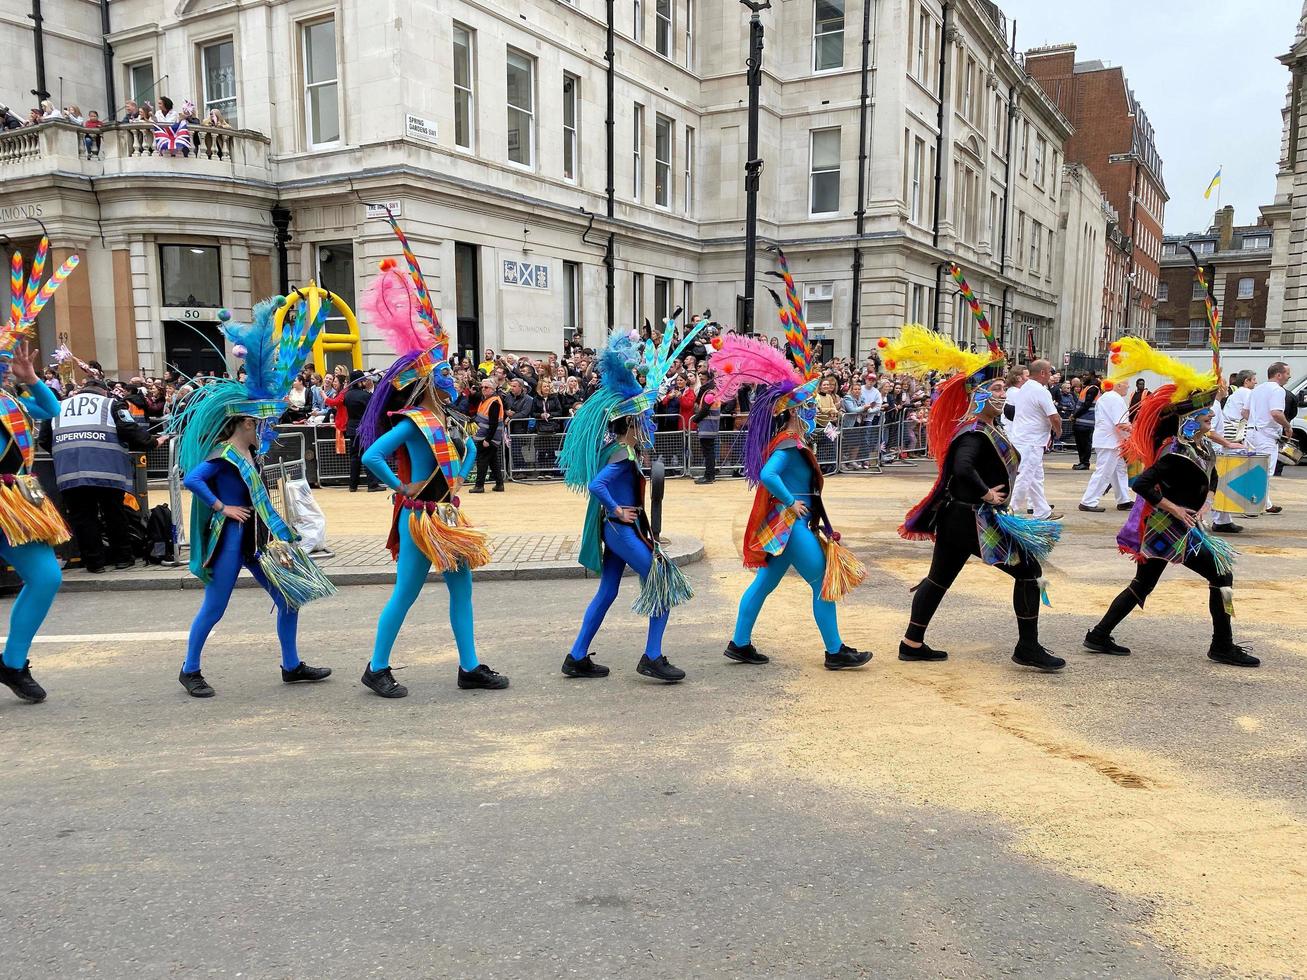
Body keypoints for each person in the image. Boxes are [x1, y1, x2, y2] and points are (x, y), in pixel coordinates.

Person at [358, 228, 508, 698]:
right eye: (443, 371)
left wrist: (463, 462)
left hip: (445, 514)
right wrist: (400, 489)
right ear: (426, 380)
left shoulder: (447, 420)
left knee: (462, 589)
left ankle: (469, 667)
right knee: (405, 593)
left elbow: (459, 460)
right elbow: (372, 454)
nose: (452, 376)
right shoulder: (416, 420)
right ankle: (376, 667)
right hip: (419, 516)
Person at [168, 299, 337, 698]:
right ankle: (189, 668)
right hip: (232, 540)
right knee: (215, 607)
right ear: (245, 422)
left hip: (259, 541)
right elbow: (191, 479)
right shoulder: (224, 455)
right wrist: (221, 507)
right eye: (259, 421)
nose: (264, 426)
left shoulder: (251, 453)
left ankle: (291, 665)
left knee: (289, 597)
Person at [710, 259, 869, 670]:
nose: (816, 410)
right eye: (810, 406)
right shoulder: (789, 440)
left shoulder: (794, 438)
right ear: (796, 410)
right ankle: (836, 652)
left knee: (765, 582)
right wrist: (792, 505)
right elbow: (768, 475)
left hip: (792, 518)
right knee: (822, 582)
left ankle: (739, 643)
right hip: (790, 519)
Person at [883, 326, 1064, 672]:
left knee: (938, 579)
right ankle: (1027, 647)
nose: (1003, 394)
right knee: (1029, 571)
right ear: (978, 396)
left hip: (960, 519)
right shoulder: (975, 432)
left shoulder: (987, 428)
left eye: (1002, 388)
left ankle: (912, 643)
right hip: (974, 519)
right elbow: (961, 467)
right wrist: (986, 492)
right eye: (995, 389)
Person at [1086, 339, 1256, 667]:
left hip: (1179, 527)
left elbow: (1213, 477)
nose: (1211, 425)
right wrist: (1175, 508)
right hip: (1170, 527)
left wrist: (1206, 501)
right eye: (1206, 420)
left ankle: (1099, 634)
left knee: (1144, 583)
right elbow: (1141, 483)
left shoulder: (1200, 447)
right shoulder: (1175, 451)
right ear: (1189, 422)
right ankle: (1222, 644)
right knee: (1222, 573)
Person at [557, 324, 700, 683]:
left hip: (620, 530)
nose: (646, 424)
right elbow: (597, 484)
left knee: (607, 591)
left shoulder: (620, 449)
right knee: (662, 580)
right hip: (621, 530)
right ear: (632, 423)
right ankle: (652, 656)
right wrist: (616, 510)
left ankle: (576, 657)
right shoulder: (622, 452)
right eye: (642, 420)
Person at [0, 244, 79, 704]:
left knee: (46, 577)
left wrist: (30, 377)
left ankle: (12, 662)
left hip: (16, 505)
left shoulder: (12, 400)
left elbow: (53, 408)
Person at [49, 374, 156, 573]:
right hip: (107, 471)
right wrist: (153, 442)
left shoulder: (57, 406)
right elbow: (130, 431)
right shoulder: (111, 404)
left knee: (83, 518)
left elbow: (45, 439)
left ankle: (94, 563)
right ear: (103, 390)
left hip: (70, 471)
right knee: (114, 514)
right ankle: (123, 558)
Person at [1008, 359, 1062, 520]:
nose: (1051, 376)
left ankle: (1042, 511)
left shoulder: (1025, 388)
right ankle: (1010, 508)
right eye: (1050, 372)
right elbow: (1054, 416)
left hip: (1025, 438)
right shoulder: (1040, 390)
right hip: (1031, 441)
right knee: (1024, 476)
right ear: (1043, 373)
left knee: (1035, 478)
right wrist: (1057, 431)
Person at [1078, 377, 1134, 513]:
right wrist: (1136, 432)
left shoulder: (1107, 397)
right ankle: (1088, 501)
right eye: (1126, 385)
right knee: (1104, 472)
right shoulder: (1115, 399)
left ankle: (1124, 500)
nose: (1128, 388)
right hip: (1110, 441)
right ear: (1118, 385)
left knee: (1118, 471)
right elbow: (1120, 423)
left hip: (1110, 440)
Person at [1245, 362, 1292, 515]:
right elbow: (1276, 413)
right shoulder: (1278, 390)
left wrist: (1255, 420)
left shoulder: (1256, 389)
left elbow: (1245, 412)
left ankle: (1264, 502)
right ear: (1278, 375)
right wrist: (1287, 426)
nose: (1289, 376)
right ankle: (1251, 506)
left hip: (1251, 432)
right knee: (1264, 471)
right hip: (1266, 434)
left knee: (1253, 468)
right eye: (1287, 373)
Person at [342, 370, 379, 492]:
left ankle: (353, 485)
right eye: (362, 380)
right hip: (364, 428)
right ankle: (372, 484)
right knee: (367, 455)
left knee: (354, 457)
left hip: (352, 428)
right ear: (358, 382)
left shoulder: (347, 395)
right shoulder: (365, 396)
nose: (364, 382)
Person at [470, 376, 505, 492]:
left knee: (482, 461)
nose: (483, 389)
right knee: (493, 461)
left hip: (488, 437)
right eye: (482, 387)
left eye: (486, 387)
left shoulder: (494, 402)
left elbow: (494, 423)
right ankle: (499, 484)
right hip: (485, 436)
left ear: (493, 389)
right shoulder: (485, 399)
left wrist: (488, 439)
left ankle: (479, 485)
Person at [692, 368, 720, 484]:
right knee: (709, 452)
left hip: (708, 427)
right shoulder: (711, 392)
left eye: (703, 379)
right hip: (710, 427)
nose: (701, 382)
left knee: (708, 453)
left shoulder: (709, 394)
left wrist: (695, 419)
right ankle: (710, 475)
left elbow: (704, 411)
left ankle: (708, 476)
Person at [1070, 375, 1099, 469]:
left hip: (1086, 421)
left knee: (1085, 443)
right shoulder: (1086, 388)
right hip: (1081, 420)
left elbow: (1086, 405)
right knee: (1080, 443)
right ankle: (1082, 461)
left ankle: (1085, 463)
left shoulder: (1092, 389)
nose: (1082, 379)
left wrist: (1075, 416)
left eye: (1085, 376)